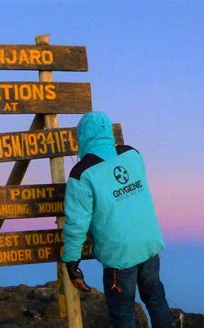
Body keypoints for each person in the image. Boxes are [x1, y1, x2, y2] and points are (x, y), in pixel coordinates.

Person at [62, 112, 172, 328]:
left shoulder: (82, 173)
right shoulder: (132, 154)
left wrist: (72, 262)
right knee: (156, 299)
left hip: (119, 255)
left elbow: (77, 224)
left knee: (123, 314)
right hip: (149, 245)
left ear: (82, 136)